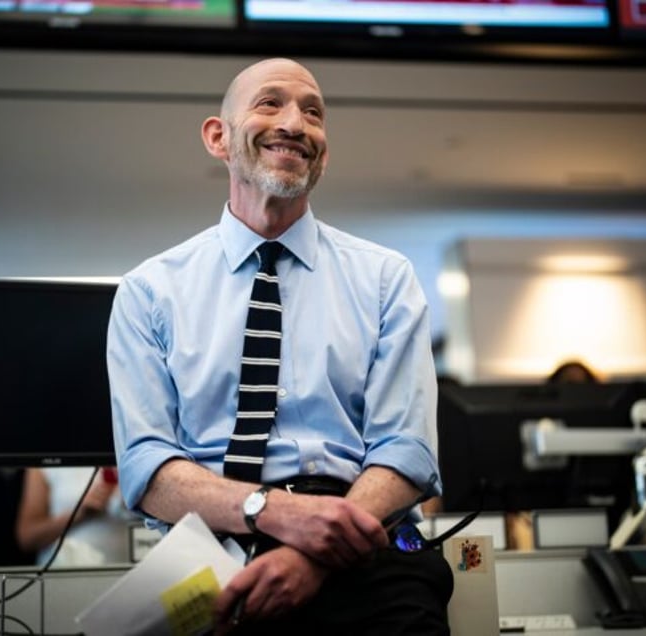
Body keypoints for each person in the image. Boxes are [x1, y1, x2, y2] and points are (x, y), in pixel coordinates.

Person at [106, 57, 452, 634]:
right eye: (271, 103)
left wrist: (314, 550)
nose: (295, 122)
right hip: (212, 550)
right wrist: (275, 513)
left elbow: (407, 452)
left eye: (313, 113)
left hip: (368, 551)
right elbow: (148, 470)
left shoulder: (386, 278)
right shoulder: (149, 292)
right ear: (218, 138)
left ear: (323, 152)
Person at [15, 466, 136, 567]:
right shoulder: (44, 459)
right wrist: (78, 513)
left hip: (130, 573)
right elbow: (27, 538)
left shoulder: (136, 448)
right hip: (65, 575)